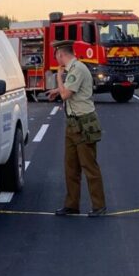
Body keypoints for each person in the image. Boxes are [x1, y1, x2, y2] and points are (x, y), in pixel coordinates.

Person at [46, 41, 107, 217]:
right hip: (73, 123)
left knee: (89, 166)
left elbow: (67, 95)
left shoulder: (77, 69)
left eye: (56, 55)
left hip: (83, 123)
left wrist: (58, 77)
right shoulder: (74, 69)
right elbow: (71, 89)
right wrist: (57, 90)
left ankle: (99, 205)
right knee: (70, 167)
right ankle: (72, 204)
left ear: (61, 54)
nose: (57, 59)